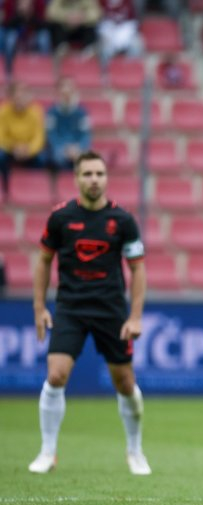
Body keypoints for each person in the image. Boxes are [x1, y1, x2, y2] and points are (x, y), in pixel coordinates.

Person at [29, 150, 150, 476]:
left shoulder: (122, 221)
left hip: (111, 309)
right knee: (56, 375)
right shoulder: (60, 218)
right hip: (71, 307)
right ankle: (47, 452)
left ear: (106, 178)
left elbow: (138, 270)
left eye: (99, 173)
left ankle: (135, 450)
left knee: (125, 382)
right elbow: (43, 262)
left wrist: (135, 316)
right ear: (77, 178)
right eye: (87, 174)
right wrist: (40, 308)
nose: (94, 179)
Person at [0, 81, 46, 200]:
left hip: (28, 150)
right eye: (17, 96)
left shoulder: (36, 111)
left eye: (23, 95)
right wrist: (14, 147)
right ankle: (5, 189)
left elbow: (39, 137)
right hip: (11, 149)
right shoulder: (3, 111)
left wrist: (29, 149)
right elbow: (1, 137)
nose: (20, 99)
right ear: (11, 97)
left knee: (42, 158)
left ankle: (33, 188)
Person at [45, 77, 92, 172]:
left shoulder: (82, 112)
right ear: (58, 92)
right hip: (59, 150)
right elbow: (50, 135)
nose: (66, 91)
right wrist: (64, 149)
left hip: (77, 149)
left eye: (69, 87)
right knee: (56, 159)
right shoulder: (51, 112)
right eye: (63, 87)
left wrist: (78, 148)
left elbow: (86, 135)